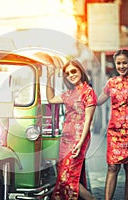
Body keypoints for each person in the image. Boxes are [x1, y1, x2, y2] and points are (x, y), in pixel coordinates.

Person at [97, 49, 128, 200]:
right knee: (112, 167)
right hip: (114, 132)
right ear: (115, 64)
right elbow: (98, 101)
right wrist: (81, 91)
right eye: (118, 63)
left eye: (124, 62)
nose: (121, 66)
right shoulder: (111, 83)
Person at [46, 59, 96, 200]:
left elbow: (88, 120)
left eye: (73, 71)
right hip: (65, 138)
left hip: (79, 138)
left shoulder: (88, 92)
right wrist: (50, 76)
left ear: (80, 70)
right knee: (65, 175)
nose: (71, 75)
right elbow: (51, 99)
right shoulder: (69, 94)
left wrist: (80, 143)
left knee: (69, 178)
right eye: (67, 74)